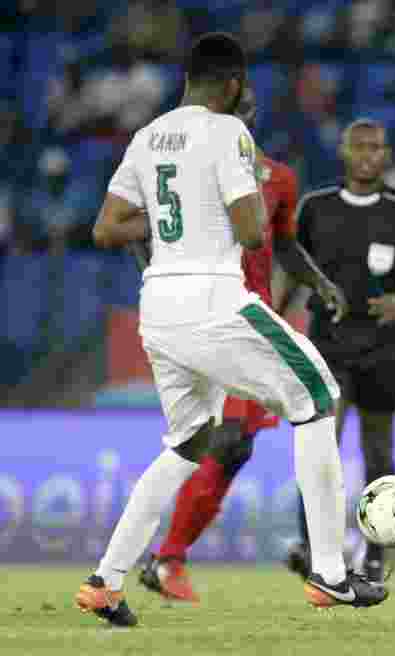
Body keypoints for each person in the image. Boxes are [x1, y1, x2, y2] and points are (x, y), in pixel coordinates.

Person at [77, 33, 386, 627]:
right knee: (318, 396)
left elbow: (106, 228)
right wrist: (217, 207)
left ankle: (107, 581)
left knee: (188, 443)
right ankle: (329, 572)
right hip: (214, 298)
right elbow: (250, 231)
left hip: (158, 307)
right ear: (236, 85)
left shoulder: (147, 137)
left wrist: (178, 219)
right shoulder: (229, 133)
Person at [134, 84, 342, 603]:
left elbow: (286, 244)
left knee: (226, 444)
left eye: (244, 113)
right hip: (206, 317)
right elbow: (138, 226)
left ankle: (157, 560)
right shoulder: (186, 173)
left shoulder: (277, 178)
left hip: (244, 320)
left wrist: (319, 283)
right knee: (223, 441)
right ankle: (161, 559)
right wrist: (162, 277)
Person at [281, 118, 395, 584]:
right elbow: (291, 269)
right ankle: (313, 548)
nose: (368, 155)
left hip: (382, 346)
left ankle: (375, 554)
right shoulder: (314, 208)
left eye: (376, 147)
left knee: (378, 455)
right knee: (321, 448)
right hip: (326, 343)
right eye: (359, 147)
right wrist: (272, 319)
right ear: (345, 153)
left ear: (386, 155)